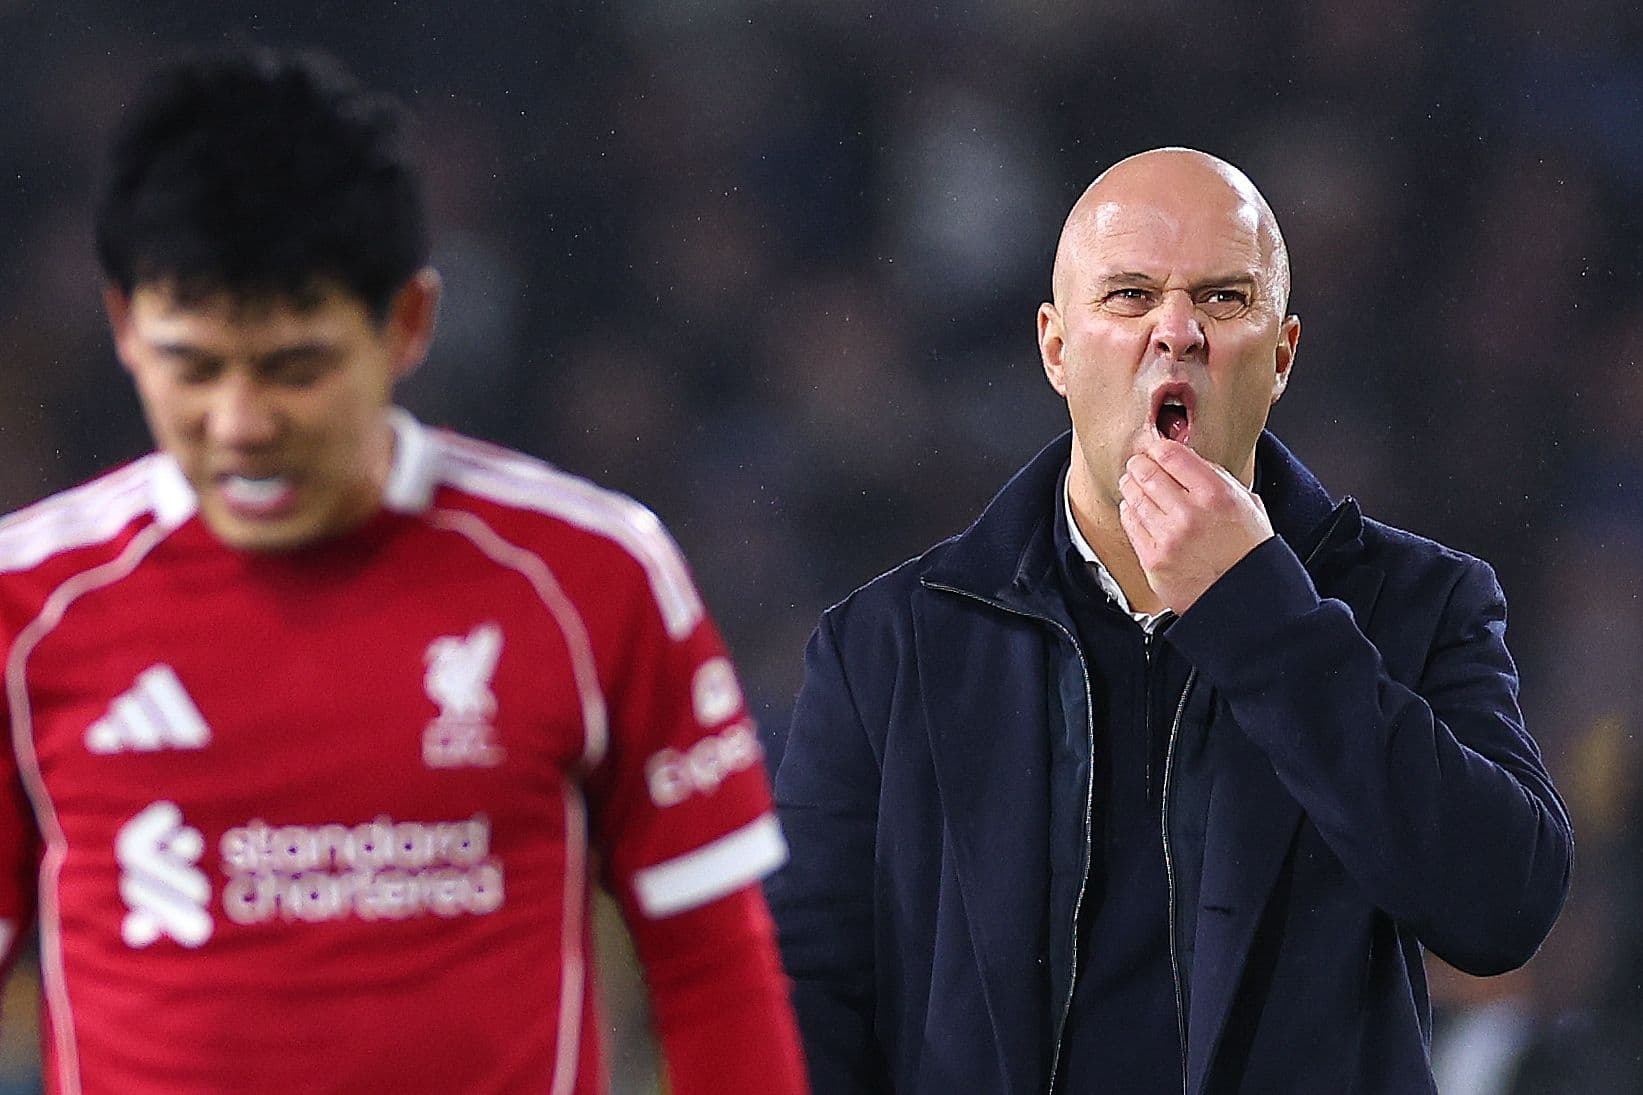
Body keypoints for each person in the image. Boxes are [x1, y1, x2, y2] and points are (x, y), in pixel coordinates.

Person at [0, 49, 807, 1095]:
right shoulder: (29, 606)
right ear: (123, 326)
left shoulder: (590, 576)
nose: (241, 424)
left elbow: (711, 962)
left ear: (407, 324)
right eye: (194, 367)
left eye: (296, 368)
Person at [765, 147, 1573, 1093]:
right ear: (1055, 349)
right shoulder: (887, 646)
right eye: (1129, 295)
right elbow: (801, 1002)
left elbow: (1500, 907)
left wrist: (1259, 611)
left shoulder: (1418, 602)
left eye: (1224, 299)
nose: (1176, 330)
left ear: (1281, 357)